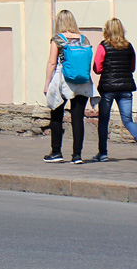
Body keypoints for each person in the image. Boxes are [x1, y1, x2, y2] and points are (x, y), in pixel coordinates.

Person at [44, 9, 96, 164]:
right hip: (82, 80)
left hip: (63, 80)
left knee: (56, 113)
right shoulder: (84, 39)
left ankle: (56, 152)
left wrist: (47, 84)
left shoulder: (57, 39)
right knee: (78, 117)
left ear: (59, 22)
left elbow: (52, 62)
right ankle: (77, 155)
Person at [91, 17, 137, 162]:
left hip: (107, 88)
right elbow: (132, 67)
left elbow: (97, 68)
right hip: (126, 88)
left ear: (107, 30)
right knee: (128, 120)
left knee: (104, 121)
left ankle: (103, 153)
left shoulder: (103, 46)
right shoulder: (128, 46)